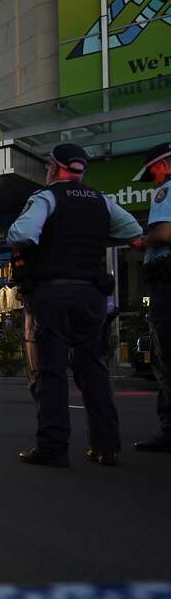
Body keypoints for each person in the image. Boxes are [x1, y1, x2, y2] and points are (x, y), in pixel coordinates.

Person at [7, 143, 142, 467]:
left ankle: (53, 447)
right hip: (91, 297)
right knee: (93, 371)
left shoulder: (47, 197)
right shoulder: (102, 201)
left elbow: (22, 234)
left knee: (50, 372)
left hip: (53, 295)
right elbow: (134, 231)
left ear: (54, 167)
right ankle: (106, 446)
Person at [134, 141, 171, 452]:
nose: (155, 179)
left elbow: (163, 234)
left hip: (166, 285)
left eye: (155, 171)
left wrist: (143, 242)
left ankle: (169, 429)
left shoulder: (166, 191)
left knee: (166, 356)